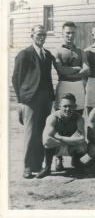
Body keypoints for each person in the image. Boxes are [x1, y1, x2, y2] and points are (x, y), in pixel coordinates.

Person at [12, 25, 55, 179]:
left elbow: (49, 77)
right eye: (38, 34)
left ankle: (38, 164)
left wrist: (51, 96)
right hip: (30, 100)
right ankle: (28, 167)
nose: (41, 37)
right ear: (32, 35)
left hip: (45, 98)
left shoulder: (47, 54)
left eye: (44, 34)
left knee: (42, 132)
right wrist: (21, 100)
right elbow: (16, 78)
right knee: (30, 133)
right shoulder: (25, 54)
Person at [53, 21, 90, 171]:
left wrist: (75, 70)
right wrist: (77, 68)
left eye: (72, 33)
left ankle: (75, 157)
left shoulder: (81, 51)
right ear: (63, 34)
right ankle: (58, 158)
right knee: (60, 120)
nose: (70, 35)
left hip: (78, 87)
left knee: (77, 119)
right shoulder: (58, 51)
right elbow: (61, 71)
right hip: (64, 86)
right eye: (67, 33)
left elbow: (87, 69)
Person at [37, 93, 87, 178]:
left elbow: (82, 139)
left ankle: (76, 162)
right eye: (65, 106)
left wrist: (60, 137)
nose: (68, 109)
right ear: (60, 106)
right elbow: (46, 140)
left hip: (68, 146)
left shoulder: (79, 118)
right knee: (47, 143)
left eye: (71, 106)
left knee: (83, 146)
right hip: (58, 147)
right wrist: (70, 140)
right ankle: (47, 167)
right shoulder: (53, 118)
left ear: (75, 106)